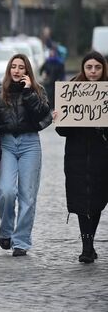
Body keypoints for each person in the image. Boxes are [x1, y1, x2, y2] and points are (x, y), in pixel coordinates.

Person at [0, 53, 51, 257]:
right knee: (6, 191)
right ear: (9, 70)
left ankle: (21, 241)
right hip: (6, 142)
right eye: (13, 67)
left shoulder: (37, 91)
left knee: (28, 195)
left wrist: (28, 93)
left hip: (30, 143)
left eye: (21, 67)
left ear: (27, 71)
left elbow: (43, 116)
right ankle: (6, 231)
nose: (17, 70)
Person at [55, 51, 108, 263]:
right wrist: (60, 119)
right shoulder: (72, 90)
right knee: (81, 199)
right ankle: (87, 246)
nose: (93, 72)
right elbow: (63, 131)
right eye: (89, 67)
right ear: (83, 69)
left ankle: (89, 242)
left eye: (97, 67)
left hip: (101, 154)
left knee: (96, 200)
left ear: (103, 69)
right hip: (77, 154)